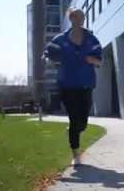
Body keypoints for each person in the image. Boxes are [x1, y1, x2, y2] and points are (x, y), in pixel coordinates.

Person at [43, 8, 102, 166]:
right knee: (74, 118)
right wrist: (50, 59)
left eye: (83, 16)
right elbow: (48, 54)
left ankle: (73, 130)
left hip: (86, 84)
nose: (82, 19)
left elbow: (99, 61)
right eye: (79, 16)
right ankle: (76, 153)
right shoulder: (60, 39)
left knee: (82, 122)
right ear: (72, 18)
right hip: (67, 85)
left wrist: (92, 60)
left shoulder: (92, 39)